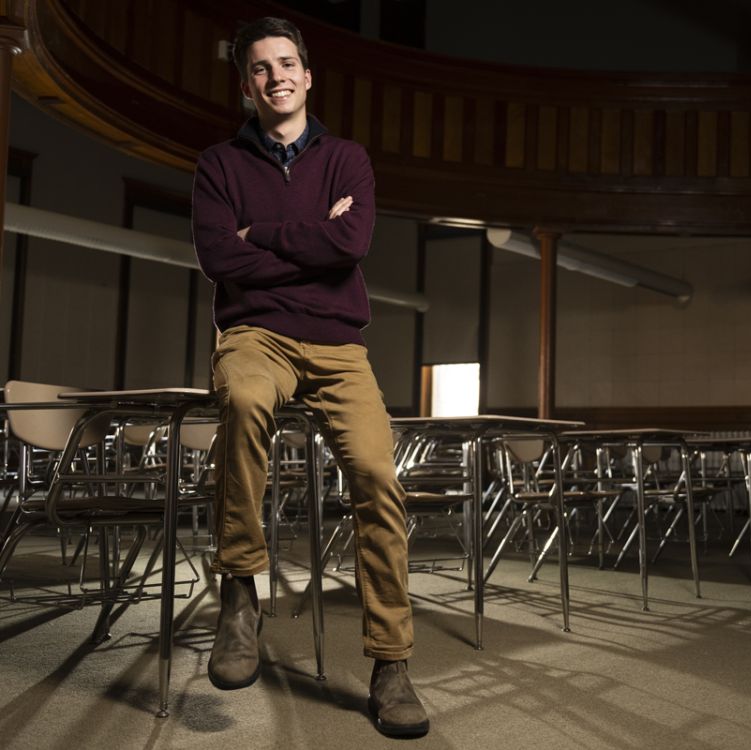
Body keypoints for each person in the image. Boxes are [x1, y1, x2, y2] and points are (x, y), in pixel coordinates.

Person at [191, 16, 428, 738]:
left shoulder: (348, 159)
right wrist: (312, 243)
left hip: (336, 345)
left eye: (287, 62)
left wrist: (258, 234)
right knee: (240, 401)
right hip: (256, 335)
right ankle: (240, 596)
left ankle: (391, 661)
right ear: (246, 86)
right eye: (261, 67)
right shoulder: (218, 166)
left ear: (308, 74)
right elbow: (218, 261)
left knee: (377, 477)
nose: (277, 76)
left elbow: (351, 242)